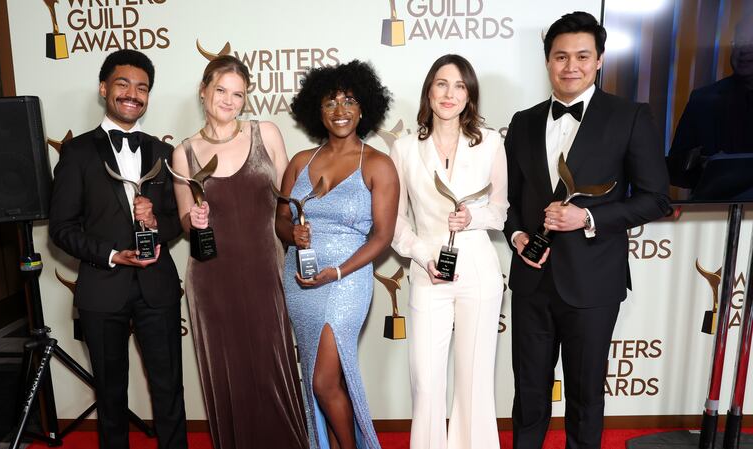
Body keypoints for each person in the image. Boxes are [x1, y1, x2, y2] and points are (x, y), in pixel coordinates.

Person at [503, 12, 670, 449]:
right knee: (529, 396)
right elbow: (509, 202)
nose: (570, 66)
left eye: (582, 56)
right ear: (547, 62)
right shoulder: (522, 121)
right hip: (531, 281)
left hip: (593, 282)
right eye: (561, 56)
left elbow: (657, 198)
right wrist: (518, 237)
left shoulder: (630, 116)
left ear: (599, 61)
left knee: (584, 397)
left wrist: (590, 218)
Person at [48, 49, 187, 449]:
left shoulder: (163, 153)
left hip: (157, 287)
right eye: (123, 84)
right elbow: (62, 228)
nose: (133, 94)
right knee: (110, 397)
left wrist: (158, 226)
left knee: (169, 391)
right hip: (102, 288)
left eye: (142, 88)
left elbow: (177, 219)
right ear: (104, 88)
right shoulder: (77, 153)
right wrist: (112, 254)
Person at [170, 55, 309, 449]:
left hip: (266, 272)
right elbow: (184, 220)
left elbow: (292, 201)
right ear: (203, 90)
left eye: (238, 94)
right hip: (212, 280)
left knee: (274, 370)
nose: (229, 101)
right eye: (221, 90)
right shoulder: (185, 153)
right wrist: (193, 220)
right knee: (228, 377)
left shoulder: (266, 133)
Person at [275, 60, 398, 449]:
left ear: (364, 109)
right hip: (301, 282)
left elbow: (382, 237)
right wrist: (293, 234)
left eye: (349, 101)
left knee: (323, 380)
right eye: (330, 103)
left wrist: (339, 272)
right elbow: (281, 221)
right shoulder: (300, 162)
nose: (340, 111)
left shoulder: (378, 164)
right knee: (317, 372)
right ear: (318, 110)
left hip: (346, 283)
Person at [389, 54, 508, 449]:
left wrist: (472, 217)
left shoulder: (491, 143)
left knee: (474, 380)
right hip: (427, 271)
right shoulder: (404, 149)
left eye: (459, 86)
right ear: (429, 90)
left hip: (477, 269)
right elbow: (396, 221)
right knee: (425, 381)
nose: (449, 93)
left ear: (470, 95)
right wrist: (423, 255)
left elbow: (500, 210)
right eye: (442, 83)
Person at [667, 13, 753, 198]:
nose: (744, 49)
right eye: (739, 41)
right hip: (712, 211)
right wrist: (704, 164)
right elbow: (676, 169)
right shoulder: (702, 99)